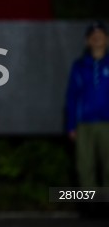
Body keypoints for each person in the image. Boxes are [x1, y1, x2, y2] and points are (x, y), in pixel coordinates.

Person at [65, 21, 109, 191]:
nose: (97, 38)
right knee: (84, 167)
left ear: (106, 39)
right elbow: (72, 96)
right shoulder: (79, 65)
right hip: (84, 124)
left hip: (107, 123)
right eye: (93, 35)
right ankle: (91, 206)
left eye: (100, 35)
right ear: (87, 41)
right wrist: (71, 126)